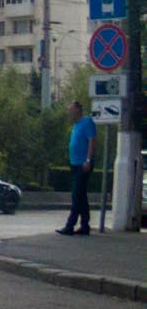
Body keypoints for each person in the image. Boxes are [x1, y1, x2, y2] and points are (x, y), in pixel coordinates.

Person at [59, 96, 97, 236]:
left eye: (71, 110)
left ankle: (70, 226)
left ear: (78, 110)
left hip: (83, 164)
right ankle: (85, 225)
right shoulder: (76, 124)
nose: (69, 113)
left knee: (76, 195)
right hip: (75, 163)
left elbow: (91, 141)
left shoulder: (87, 122)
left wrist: (88, 159)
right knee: (81, 196)